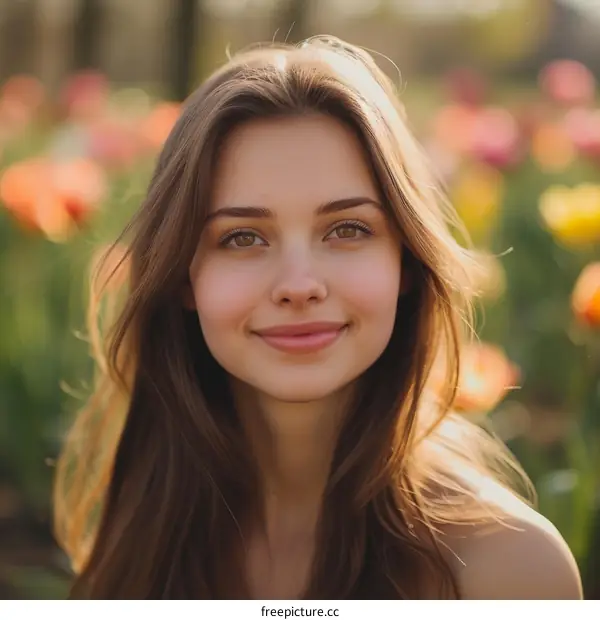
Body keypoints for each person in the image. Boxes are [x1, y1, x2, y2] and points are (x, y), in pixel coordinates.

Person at [53, 36, 583, 600]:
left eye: (347, 229)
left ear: (404, 260)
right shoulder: (145, 528)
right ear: (185, 276)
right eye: (243, 237)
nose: (300, 285)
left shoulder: (509, 568)